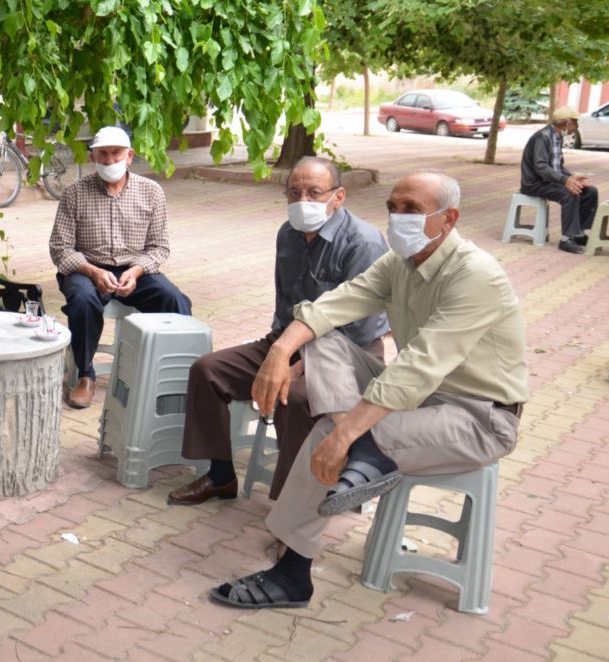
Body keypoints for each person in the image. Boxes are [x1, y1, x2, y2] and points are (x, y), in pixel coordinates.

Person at [209, 172, 527, 609]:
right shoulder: (400, 264)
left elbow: (419, 365)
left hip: (478, 418)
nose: (398, 219)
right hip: (418, 402)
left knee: (329, 435)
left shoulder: (476, 275)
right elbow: (335, 304)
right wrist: (279, 351)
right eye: (393, 208)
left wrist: (342, 434)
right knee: (320, 337)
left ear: (448, 218)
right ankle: (364, 454)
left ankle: (293, 573)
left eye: (412, 210)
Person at [167, 157, 390, 506]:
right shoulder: (288, 234)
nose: (304, 201)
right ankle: (221, 475)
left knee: (295, 399)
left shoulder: (363, 244)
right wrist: (275, 352)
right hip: (287, 342)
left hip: (348, 355)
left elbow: (359, 331)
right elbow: (285, 303)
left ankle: (294, 508)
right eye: (295, 193)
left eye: (315, 192)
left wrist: (293, 368)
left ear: (339, 195)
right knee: (207, 371)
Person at [49, 126, 192, 409]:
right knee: (83, 299)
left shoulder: (151, 192)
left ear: (129, 156)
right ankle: (85, 375)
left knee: (175, 300)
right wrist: (93, 271)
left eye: (116, 154)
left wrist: (136, 270)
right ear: (93, 157)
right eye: (103, 154)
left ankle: (177, 377)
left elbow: (159, 246)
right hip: (87, 268)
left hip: (135, 268)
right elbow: (60, 248)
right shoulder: (75, 193)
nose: (109, 160)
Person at [520, 106, 599, 254]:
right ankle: (565, 239)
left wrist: (571, 178)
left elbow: (558, 166)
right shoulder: (543, 137)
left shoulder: (556, 136)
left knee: (590, 191)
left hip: (549, 181)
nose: (576, 126)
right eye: (575, 122)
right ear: (566, 123)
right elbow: (542, 168)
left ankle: (578, 233)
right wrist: (565, 181)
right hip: (535, 183)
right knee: (570, 193)